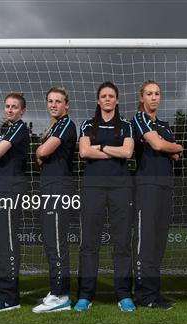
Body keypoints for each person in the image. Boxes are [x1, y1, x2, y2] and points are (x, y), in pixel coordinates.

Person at [74, 82, 135, 312]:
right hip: (93, 188)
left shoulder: (126, 125)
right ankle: (86, 294)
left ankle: (123, 294)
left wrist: (100, 147)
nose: (107, 99)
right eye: (103, 96)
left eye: (111, 96)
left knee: (122, 243)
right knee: (89, 243)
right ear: (98, 100)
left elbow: (127, 153)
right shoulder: (88, 124)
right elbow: (83, 152)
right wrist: (112, 150)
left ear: (117, 100)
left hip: (121, 188)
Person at [131, 80, 183, 310]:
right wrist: (171, 145)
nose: (154, 97)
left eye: (157, 94)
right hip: (146, 186)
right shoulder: (139, 119)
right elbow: (162, 146)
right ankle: (144, 295)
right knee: (146, 241)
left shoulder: (164, 124)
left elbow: (176, 154)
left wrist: (169, 145)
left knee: (159, 243)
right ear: (142, 98)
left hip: (165, 185)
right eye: (149, 94)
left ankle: (155, 292)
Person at [0, 93, 30, 312]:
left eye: (14, 107)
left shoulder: (20, 128)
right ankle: (5, 293)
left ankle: (11, 298)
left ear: (22, 111)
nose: (10, 110)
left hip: (10, 191)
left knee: (8, 243)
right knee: (1, 243)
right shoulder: (7, 130)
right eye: (7, 106)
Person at [32, 87, 77, 313]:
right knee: (51, 241)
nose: (53, 105)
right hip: (48, 186)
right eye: (50, 101)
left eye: (58, 101)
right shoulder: (52, 127)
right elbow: (40, 156)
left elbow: (43, 151)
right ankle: (56, 290)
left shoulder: (66, 125)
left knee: (57, 241)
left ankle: (61, 296)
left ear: (66, 105)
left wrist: (41, 151)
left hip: (59, 187)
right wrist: (41, 152)